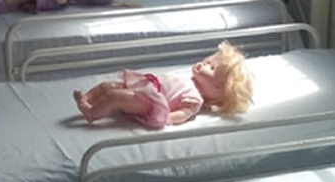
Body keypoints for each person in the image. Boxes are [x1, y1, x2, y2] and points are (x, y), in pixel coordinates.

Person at [73, 41, 253, 129]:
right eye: (207, 61)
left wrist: (166, 118)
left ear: (217, 89)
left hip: (149, 102)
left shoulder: (195, 99)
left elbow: (183, 114)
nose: (203, 64)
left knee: (115, 96)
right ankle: (88, 97)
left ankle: (91, 113)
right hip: (146, 87)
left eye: (211, 68)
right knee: (108, 86)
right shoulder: (190, 80)